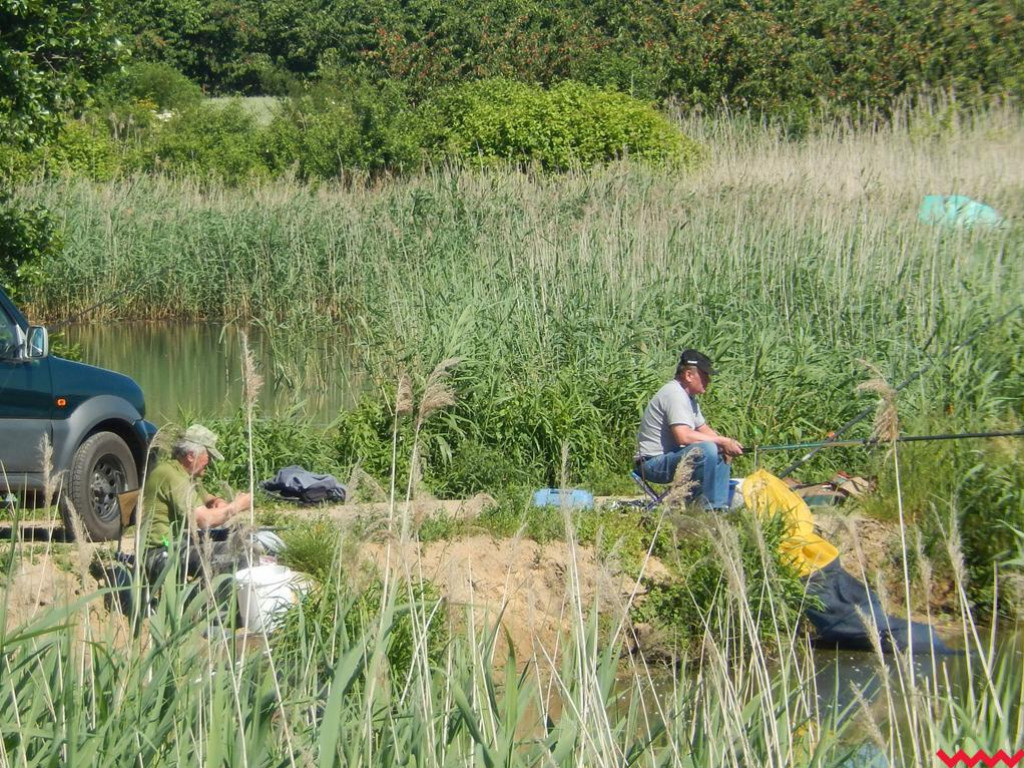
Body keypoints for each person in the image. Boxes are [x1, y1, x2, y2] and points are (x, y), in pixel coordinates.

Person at [141, 424, 253, 584]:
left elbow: (205, 497)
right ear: (191, 455)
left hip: (177, 544)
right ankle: (221, 604)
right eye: (208, 456)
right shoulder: (171, 475)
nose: (211, 462)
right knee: (239, 554)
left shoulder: (185, 474)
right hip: (159, 553)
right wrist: (237, 506)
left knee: (241, 533)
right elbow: (204, 520)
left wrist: (217, 501)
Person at [635, 349, 744, 510]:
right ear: (688, 375)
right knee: (707, 449)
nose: (709, 380)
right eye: (705, 375)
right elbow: (683, 437)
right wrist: (721, 441)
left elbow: (704, 429)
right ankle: (702, 508)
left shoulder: (688, 397)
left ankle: (717, 509)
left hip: (670, 459)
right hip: (651, 464)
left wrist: (727, 445)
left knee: (719, 450)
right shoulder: (675, 394)